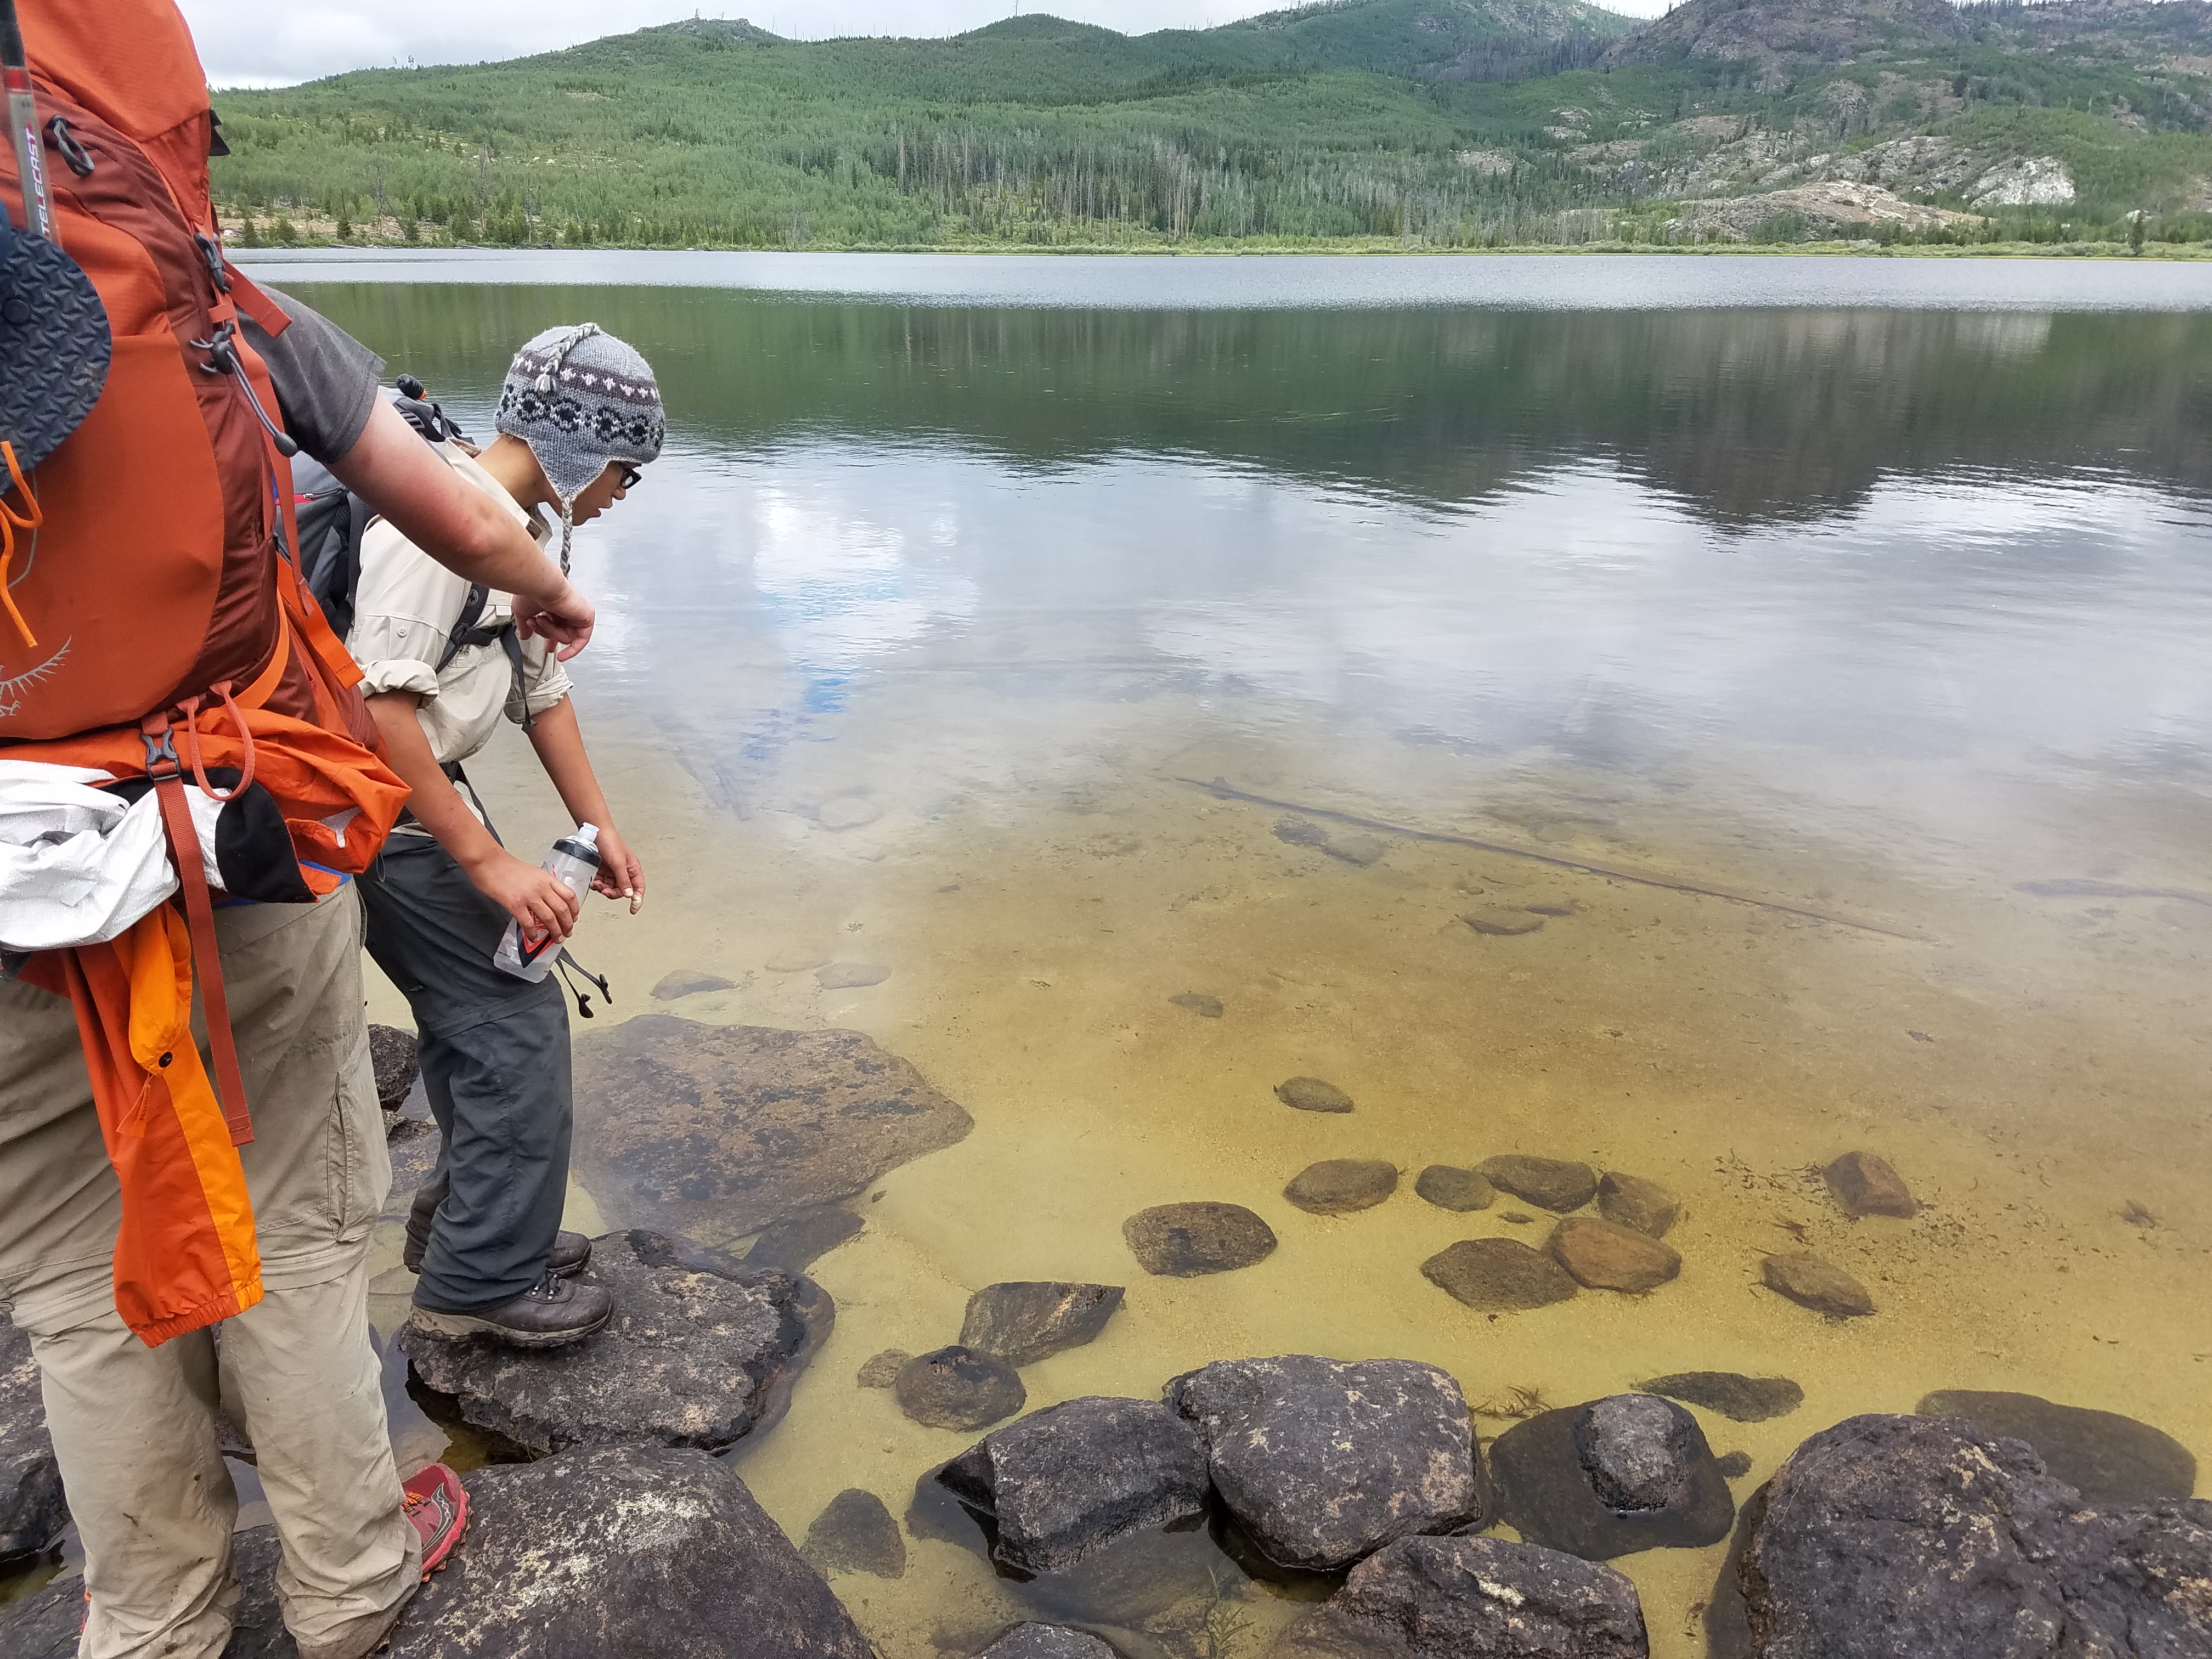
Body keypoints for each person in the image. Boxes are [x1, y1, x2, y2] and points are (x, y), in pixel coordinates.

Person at [0, 6, 598, 1654]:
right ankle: (346, 1583)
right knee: (293, 1221)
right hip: (227, 834)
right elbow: (466, 522)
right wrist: (552, 587)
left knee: (71, 1275)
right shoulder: (222, 309)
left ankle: (159, 1622)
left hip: (9, 896)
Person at [348, 323, 658, 1348]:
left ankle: (468, 1228)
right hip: (388, 814)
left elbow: (542, 691)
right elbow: (376, 709)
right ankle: (480, 1283)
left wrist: (595, 826)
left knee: (469, 1015)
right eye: (626, 469)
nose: (622, 494)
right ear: (587, 452)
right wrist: (484, 859)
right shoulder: (436, 524)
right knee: (512, 1027)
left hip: (425, 800)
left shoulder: (501, 526)